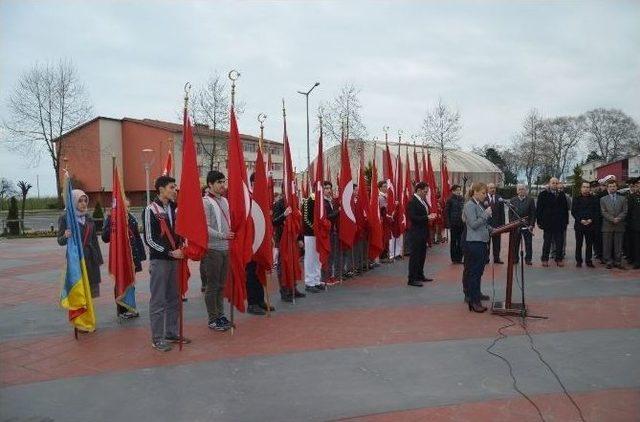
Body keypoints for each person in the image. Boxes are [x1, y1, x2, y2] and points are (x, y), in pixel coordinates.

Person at [142, 175, 189, 352]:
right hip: (160, 261)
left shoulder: (175, 208)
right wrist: (169, 252)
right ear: (161, 189)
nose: (174, 190)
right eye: (171, 187)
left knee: (174, 299)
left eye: (175, 187)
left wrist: (182, 247)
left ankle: (171, 332)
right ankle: (157, 338)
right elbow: (149, 239)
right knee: (158, 300)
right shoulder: (150, 210)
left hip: (175, 260)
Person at [102, 197, 146, 319]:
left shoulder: (131, 217)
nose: (127, 209)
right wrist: (112, 220)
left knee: (131, 282)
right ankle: (122, 310)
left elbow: (136, 237)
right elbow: (105, 237)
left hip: (132, 255)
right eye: (125, 207)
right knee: (121, 282)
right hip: (121, 257)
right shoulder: (112, 218)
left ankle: (130, 306)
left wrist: (141, 255)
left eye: (128, 207)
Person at [202, 170, 234, 331]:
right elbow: (204, 227)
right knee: (212, 285)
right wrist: (222, 235)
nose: (223, 185)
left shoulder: (225, 201)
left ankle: (221, 315)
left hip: (225, 248)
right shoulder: (206, 202)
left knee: (222, 285)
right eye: (219, 182)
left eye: (224, 182)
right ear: (210, 184)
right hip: (212, 249)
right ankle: (212, 319)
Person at [57, 189, 104, 298]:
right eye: (80, 201)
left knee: (90, 290)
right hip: (76, 258)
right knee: (78, 290)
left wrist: (99, 259)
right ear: (73, 202)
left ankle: (89, 313)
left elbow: (94, 240)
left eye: (85, 201)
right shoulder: (66, 218)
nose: (83, 204)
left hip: (91, 258)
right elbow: (60, 241)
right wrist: (65, 236)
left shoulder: (88, 218)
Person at [246, 173, 276, 316]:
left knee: (259, 271)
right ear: (253, 183)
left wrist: (269, 236)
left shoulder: (262, 199)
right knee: (251, 273)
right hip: (251, 243)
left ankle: (260, 300)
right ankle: (252, 303)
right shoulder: (248, 198)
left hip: (261, 240)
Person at [462, 182, 492, 312]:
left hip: (481, 241)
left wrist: (493, 229)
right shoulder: (470, 205)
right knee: (474, 272)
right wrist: (486, 214)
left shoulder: (478, 205)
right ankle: (474, 301)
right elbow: (473, 224)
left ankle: (477, 294)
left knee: (479, 271)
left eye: (486, 193)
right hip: (474, 243)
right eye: (483, 193)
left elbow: (482, 224)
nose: (485, 196)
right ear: (475, 192)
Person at [272, 192, 306, 302]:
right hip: (282, 239)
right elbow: (274, 221)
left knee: (293, 264)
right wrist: (284, 215)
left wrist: (300, 238)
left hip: (293, 239)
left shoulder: (294, 203)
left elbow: (297, 221)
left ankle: (293, 288)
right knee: (283, 265)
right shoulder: (279, 204)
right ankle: (284, 291)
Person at [406, 182, 436, 286]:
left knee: (422, 255)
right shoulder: (412, 201)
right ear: (418, 190)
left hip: (423, 231)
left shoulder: (423, 201)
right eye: (425, 191)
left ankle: (420, 275)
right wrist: (427, 217)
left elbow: (424, 213)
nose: (426, 194)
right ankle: (412, 278)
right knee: (415, 256)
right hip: (416, 232)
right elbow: (413, 217)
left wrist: (430, 215)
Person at [536, 177, 569, 267]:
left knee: (559, 242)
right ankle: (544, 259)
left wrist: (566, 222)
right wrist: (539, 221)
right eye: (553, 183)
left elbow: (565, 209)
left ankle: (559, 259)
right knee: (547, 242)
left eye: (556, 183)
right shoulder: (543, 194)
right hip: (547, 223)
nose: (555, 184)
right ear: (549, 184)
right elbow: (539, 209)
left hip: (559, 223)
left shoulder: (561, 194)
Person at [600, 179, 628, 269]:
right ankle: (608, 261)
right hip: (607, 225)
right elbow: (603, 212)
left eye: (614, 186)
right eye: (610, 186)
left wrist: (618, 218)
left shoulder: (623, 198)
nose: (612, 188)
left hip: (619, 225)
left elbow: (625, 211)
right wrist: (612, 219)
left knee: (618, 245)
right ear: (607, 188)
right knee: (607, 244)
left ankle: (618, 262)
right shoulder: (603, 199)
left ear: (617, 187)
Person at [571, 181, 599, 268]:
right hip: (579, 225)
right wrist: (581, 220)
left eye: (587, 187)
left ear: (589, 188)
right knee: (579, 244)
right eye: (584, 187)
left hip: (591, 225)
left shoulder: (594, 198)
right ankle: (578, 261)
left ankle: (588, 261)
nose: (586, 189)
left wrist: (591, 220)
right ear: (581, 188)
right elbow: (573, 211)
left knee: (589, 244)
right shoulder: (576, 198)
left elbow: (596, 211)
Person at [301, 190, 323, 293]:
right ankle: (309, 282)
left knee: (317, 258)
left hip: (319, 234)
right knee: (310, 258)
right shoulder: (308, 201)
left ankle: (316, 280)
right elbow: (305, 219)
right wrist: (315, 229)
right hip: (310, 234)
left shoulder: (320, 200)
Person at [509, 184, 536, 265]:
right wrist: (511, 223)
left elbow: (533, 213)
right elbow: (510, 213)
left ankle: (528, 259)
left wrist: (531, 225)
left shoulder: (530, 200)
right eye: (520, 189)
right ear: (517, 191)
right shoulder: (513, 200)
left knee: (528, 243)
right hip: (516, 225)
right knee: (515, 243)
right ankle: (515, 258)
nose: (521, 191)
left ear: (526, 190)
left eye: (523, 189)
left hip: (527, 226)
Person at [444, 184, 464, 264]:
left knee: (460, 241)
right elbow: (446, 212)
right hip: (454, 223)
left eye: (459, 190)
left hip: (461, 223)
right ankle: (454, 258)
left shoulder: (462, 199)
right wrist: (448, 223)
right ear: (453, 191)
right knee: (453, 241)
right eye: (457, 190)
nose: (459, 192)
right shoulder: (450, 200)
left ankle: (459, 258)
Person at [485, 183, 505, 264]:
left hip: (497, 224)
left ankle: (496, 258)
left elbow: (502, 213)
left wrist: (502, 225)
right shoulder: (484, 197)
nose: (493, 189)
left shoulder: (499, 198)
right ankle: (486, 258)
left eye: (494, 188)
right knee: (487, 242)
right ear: (487, 189)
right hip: (486, 224)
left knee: (497, 243)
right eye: (491, 188)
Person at [626, 178, 640, 269]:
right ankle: (637, 261)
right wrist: (630, 224)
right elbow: (629, 212)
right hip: (636, 225)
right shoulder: (632, 197)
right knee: (636, 244)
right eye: (638, 185)